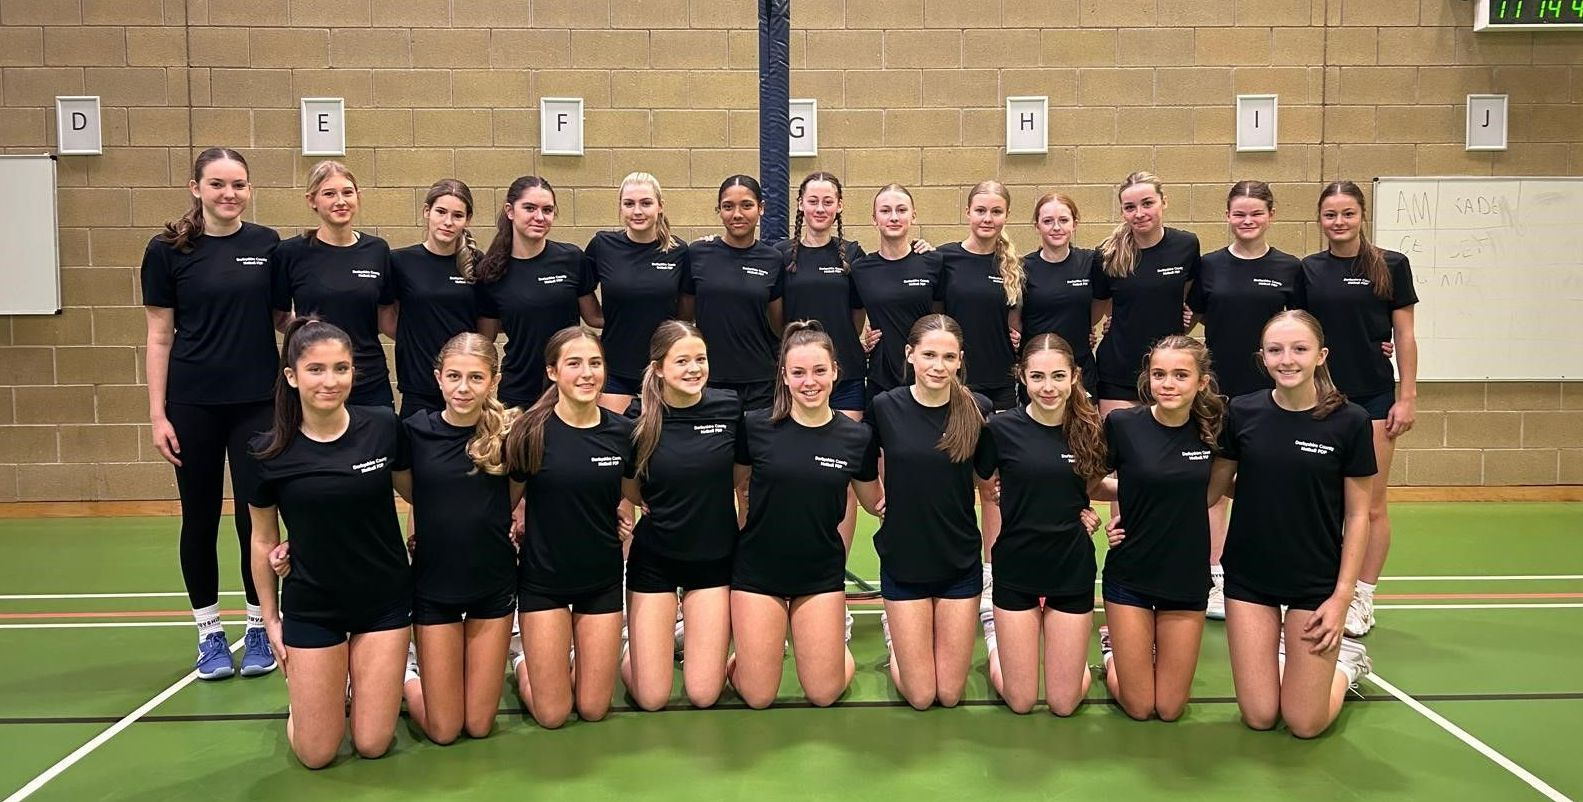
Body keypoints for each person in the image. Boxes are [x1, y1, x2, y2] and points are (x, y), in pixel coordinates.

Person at [143, 147, 281, 680]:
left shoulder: (266, 245)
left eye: (239, 184)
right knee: (199, 518)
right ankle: (208, 633)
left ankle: (258, 626)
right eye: (218, 184)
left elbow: (282, 318)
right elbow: (159, 336)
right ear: (195, 187)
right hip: (193, 404)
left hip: (258, 405)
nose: (229, 194)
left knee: (257, 518)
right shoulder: (167, 250)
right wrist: (158, 414)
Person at [248, 319, 412, 768]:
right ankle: (309, 696)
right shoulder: (268, 452)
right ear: (292, 376)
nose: (330, 381)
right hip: (313, 604)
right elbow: (263, 540)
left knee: (373, 744)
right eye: (316, 369)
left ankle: (358, 686)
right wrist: (270, 620)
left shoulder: (381, 425)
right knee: (317, 753)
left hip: (384, 602)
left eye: (342, 368)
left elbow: (420, 493)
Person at [1213, 310, 1376, 738]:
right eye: (1275, 350)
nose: (1287, 359)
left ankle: (1345, 666)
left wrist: (1343, 598)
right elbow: (1212, 490)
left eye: (1300, 349)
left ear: (1321, 355)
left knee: (1305, 724)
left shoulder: (1351, 421)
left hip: (1315, 582)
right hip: (1250, 578)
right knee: (1261, 716)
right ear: (1262, 357)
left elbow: (1359, 515)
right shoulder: (1242, 412)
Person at [730, 321, 883, 709]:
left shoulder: (856, 437)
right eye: (798, 372)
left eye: (819, 371)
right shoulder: (756, 427)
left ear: (835, 371)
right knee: (758, 696)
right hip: (758, 572)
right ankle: (742, 660)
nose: (809, 382)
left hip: (819, 574)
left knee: (823, 692)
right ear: (783, 375)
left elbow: (874, 502)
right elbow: (735, 484)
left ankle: (828, 652)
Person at [1300, 180, 1418, 638]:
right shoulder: (1308, 270)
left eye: (1347, 213)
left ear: (1361, 215)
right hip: (1323, 400)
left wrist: (1406, 395)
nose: (1339, 222)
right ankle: (1330, 588)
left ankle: (1362, 595)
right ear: (1320, 220)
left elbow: (1404, 334)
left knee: (1369, 504)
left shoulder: (1391, 265)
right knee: (1329, 503)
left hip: (1373, 399)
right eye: (1330, 215)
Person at [502, 327, 633, 728]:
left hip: (602, 581)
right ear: (553, 371)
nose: (587, 373)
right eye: (574, 363)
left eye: (595, 363)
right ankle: (527, 662)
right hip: (544, 583)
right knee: (553, 715)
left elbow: (632, 494)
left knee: (593, 709)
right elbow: (506, 502)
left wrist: (623, 519)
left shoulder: (622, 433)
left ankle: (570, 661)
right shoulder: (530, 432)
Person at [977, 333, 1113, 715]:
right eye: (1037, 377)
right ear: (1022, 377)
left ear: (1074, 377)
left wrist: (1086, 509)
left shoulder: (1092, 430)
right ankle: (995, 644)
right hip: (1016, 566)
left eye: (1057, 376)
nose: (1048, 387)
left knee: (1063, 703)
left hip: (1070, 567)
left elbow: (1092, 484)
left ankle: (1078, 661)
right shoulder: (1000, 430)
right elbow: (985, 485)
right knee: (1021, 702)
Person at [1185, 180, 1301, 620]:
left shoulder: (1291, 269)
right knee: (1215, 485)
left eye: (1255, 213)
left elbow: (1307, 329)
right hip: (1218, 395)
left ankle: (1273, 570)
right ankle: (1214, 574)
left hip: (1274, 397)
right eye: (1239, 214)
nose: (1247, 221)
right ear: (1228, 217)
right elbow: (1188, 315)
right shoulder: (1209, 266)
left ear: (1270, 214)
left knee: (1268, 485)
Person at [1098, 335, 1224, 722]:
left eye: (1180, 375)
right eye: (1159, 374)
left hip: (1185, 576)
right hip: (1130, 572)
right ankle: (1111, 652)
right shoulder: (1122, 424)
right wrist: (1134, 494)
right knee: (1139, 707)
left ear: (1202, 382)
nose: (1167, 384)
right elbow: (1090, 483)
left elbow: (1216, 492)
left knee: (1169, 709)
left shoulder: (1216, 429)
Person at [399, 333, 519, 743]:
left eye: (475, 377)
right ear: (438, 378)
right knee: (444, 730)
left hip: (493, 587)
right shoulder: (413, 432)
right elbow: (409, 492)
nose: (463, 388)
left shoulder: (510, 438)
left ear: (494, 381)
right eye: (454, 376)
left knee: (480, 726)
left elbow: (514, 497)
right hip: (434, 589)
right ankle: (406, 677)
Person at [867, 314, 989, 710]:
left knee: (949, 695)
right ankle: (897, 639)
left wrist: (1079, 506)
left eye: (948, 357)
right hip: (905, 560)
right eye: (929, 355)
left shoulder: (977, 408)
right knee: (921, 696)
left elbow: (997, 477)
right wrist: (877, 499)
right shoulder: (885, 407)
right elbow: (861, 465)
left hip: (958, 560)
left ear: (960, 360)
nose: (939, 366)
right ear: (910, 355)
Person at [621, 321, 741, 710]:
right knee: (651, 698)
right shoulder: (638, 417)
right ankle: (634, 650)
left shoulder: (728, 407)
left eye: (700, 359)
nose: (694, 369)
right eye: (682, 361)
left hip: (713, 561)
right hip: (655, 561)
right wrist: (646, 503)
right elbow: (626, 482)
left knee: (704, 694)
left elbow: (742, 477)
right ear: (658, 368)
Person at [936, 180, 1023, 646]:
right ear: (967, 212)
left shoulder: (1011, 267)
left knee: (992, 485)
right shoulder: (944, 259)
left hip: (999, 386)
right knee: (955, 479)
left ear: (1005, 216)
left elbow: (1015, 326)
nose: (987, 219)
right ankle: (956, 563)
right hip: (956, 386)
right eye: (980, 210)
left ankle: (994, 569)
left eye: (996, 211)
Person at [270, 161, 396, 407]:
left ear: (358, 197)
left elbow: (385, 317)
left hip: (368, 377)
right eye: (329, 193)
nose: (340, 201)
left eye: (347, 192)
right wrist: (308, 331)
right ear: (312, 200)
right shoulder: (290, 252)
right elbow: (279, 315)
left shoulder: (377, 250)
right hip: (314, 380)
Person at [475, 176, 604, 409]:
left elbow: (594, 318)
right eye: (530, 208)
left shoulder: (571, 258)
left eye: (547, 210)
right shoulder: (491, 272)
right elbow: (486, 339)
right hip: (519, 389)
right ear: (510, 211)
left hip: (568, 387)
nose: (539, 217)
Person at [1091, 171, 1201, 417]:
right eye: (1130, 207)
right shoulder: (1107, 255)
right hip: (1119, 369)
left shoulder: (1186, 245)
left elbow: (1187, 295)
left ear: (1164, 201)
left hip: (1167, 369)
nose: (1139, 214)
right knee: (1119, 449)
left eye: (1147, 203)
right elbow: (1098, 308)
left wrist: (1181, 322)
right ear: (1122, 212)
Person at [680, 175, 785, 412]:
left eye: (746, 205)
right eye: (728, 206)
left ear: (761, 208)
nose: (737, 214)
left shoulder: (773, 259)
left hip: (760, 383)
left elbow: (778, 326)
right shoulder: (698, 253)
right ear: (719, 210)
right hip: (708, 379)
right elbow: (684, 319)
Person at [589, 172, 689, 416]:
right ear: (620, 207)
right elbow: (584, 297)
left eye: (646, 203)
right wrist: (612, 320)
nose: (637, 211)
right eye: (629, 204)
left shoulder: (679, 252)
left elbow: (685, 316)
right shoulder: (602, 246)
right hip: (617, 368)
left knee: (662, 445)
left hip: (665, 368)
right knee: (618, 442)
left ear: (660, 206)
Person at [388, 179, 484, 420]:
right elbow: (388, 319)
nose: (448, 222)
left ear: (467, 220)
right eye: (441, 212)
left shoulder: (478, 263)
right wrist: (416, 340)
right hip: (418, 385)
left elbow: (485, 326)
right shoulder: (400, 262)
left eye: (457, 215)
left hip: (465, 389)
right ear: (426, 211)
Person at [850, 184, 945, 403]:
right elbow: (854, 316)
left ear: (913, 215)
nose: (894, 217)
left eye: (901, 210)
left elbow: (941, 316)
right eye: (885, 211)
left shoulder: (933, 261)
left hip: (926, 375)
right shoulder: (861, 269)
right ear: (874, 219)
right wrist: (862, 342)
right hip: (881, 376)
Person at [1012, 192, 1099, 397]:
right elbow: (1015, 318)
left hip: (1080, 366)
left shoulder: (1090, 262)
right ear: (1037, 225)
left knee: (1083, 428)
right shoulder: (1021, 267)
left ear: (1074, 223)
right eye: (1048, 221)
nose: (1056, 227)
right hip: (1038, 371)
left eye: (1063, 220)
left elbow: (1105, 299)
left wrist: (1090, 325)